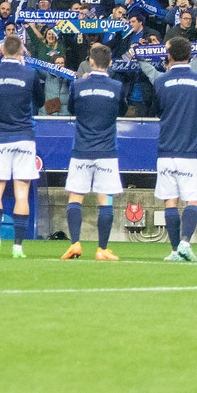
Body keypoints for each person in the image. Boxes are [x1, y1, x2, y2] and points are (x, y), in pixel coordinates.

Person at [0, 31, 47, 258]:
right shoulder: (30, 74)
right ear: (22, 52)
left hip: (1, 137)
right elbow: (40, 101)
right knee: (21, 194)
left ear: (1, 51)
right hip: (24, 138)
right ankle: (18, 246)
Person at [154, 35, 197, 261]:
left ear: (169, 56)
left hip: (167, 149)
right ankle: (185, 242)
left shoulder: (160, 82)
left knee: (170, 200)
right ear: (189, 55)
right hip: (191, 150)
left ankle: (173, 251)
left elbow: (157, 111)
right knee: (193, 199)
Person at [62, 44, 125, 261]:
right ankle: (102, 249)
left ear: (90, 61)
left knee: (75, 196)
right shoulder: (116, 86)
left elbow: (71, 110)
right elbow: (122, 110)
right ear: (109, 63)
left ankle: (75, 244)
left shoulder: (78, 86)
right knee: (104, 199)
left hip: (82, 149)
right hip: (106, 150)